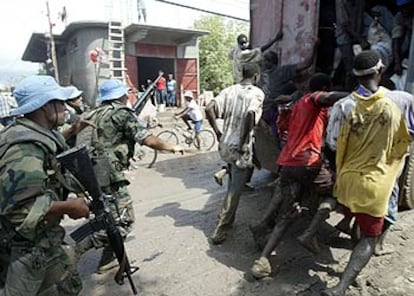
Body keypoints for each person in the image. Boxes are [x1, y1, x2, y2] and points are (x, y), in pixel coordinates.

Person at [322, 50, 413, 296]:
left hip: (348, 179)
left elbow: (331, 143)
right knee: (370, 238)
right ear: (380, 71)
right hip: (378, 183)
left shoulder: (343, 105)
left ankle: (330, 216)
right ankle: (340, 287)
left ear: (355, 76)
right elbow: (409, 137)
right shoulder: (402, 100)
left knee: (357, 217)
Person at [249, 73, 348, 279]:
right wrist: (357, 94)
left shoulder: (296, 106)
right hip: (307, 162)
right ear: (323, 89)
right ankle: (309, 234)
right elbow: (327, 99)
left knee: (286, 215)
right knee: (338, 191)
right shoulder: (313, 100)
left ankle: (262, 261)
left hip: (287, 164)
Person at [0, 75, 90, 295]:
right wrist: (69, 207)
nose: (64, 107)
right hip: (25, 248)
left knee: (68, 285)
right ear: (45, 107)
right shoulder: (25, 148)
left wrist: (71, 131)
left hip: (43, 240)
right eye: (59, 102)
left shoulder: (33, 132)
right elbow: (21, 209)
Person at [84, 78, 183, 272]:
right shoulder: (121, 114)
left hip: (90, 174)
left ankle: (109, 257)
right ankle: (79, 246)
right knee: (123, 220)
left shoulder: (93, 114)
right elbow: (147, 139)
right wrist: (171, 147)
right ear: (121, 96)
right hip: (110, 175)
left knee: (107, 215)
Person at [205, 62, 264, 244]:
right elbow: (249, 115)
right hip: (239, 147)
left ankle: (224, 170)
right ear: (255, 77)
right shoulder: (257, 93)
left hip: (225, 144)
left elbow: (209, 108)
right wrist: (243, 142)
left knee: (236, 170)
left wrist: (217, 132)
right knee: (234, 192)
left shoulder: (229, 90)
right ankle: (221, 229)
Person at [392, 0, 413, 76]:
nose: (404, 10)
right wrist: (397, 63)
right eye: (401, 8)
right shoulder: (400, 16)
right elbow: (396, 38)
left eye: (406, 7)